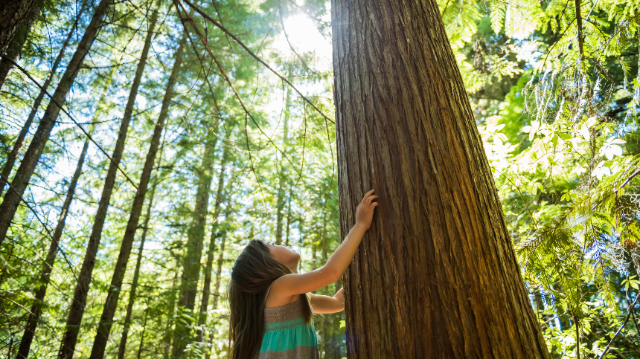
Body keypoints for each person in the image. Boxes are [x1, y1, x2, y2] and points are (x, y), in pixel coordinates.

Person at [228, 189, 379, 359]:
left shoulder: (298, 298)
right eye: (271, 244)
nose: (281, 243)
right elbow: (331, 273)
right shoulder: (279, 287)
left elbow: (338, 302)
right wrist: (360, 225)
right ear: (263, 266)